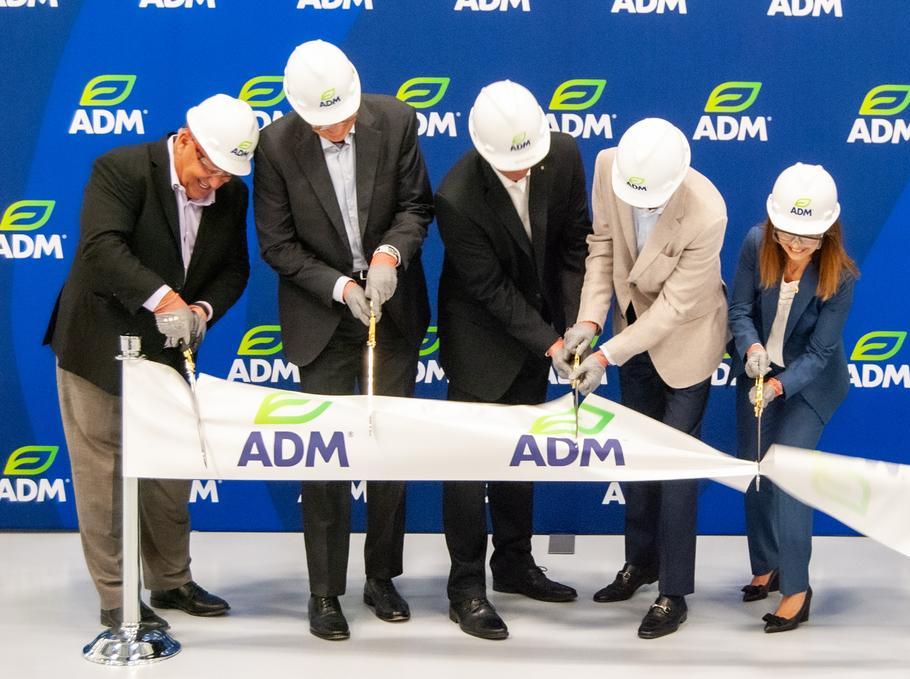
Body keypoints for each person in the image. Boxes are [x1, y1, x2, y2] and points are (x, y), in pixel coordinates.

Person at [44, 93, 258, 630]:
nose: (212, 186)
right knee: (104, 473)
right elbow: (101, 249)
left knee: (170, 472)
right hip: (96, 344)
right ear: (185, 139)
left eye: (226, 178)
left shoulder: (232, 197)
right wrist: (165, 299)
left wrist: (202, 310)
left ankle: (170, 580)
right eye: (206, 171)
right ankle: (116, 597)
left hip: (168, 352)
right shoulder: (120, 169)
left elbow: (234, 271)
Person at [253, 40, 433, 641]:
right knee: (323, 459)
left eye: (346, 117)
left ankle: (382, 577)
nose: (339, 129)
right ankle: (324, 590)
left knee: (390, 450)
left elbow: (415, 207)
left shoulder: (397, 120)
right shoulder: (276, 146)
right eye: (326, 122)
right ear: (301, 114)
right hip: (321, 319)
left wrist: (388, 256)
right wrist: (336, 286)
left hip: (394, 311)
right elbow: (277, 245)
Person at [558, 118, 728, 639]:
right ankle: (640, 563)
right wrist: (589, 323)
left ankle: (672, 591)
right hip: (627, 334)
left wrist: (605, 356)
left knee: (675, 469)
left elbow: (674, 309)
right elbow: (603, 250)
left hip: (687, 342)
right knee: (636, 460)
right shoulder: (611, 168)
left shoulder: (707, 211)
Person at [433, 80, 590, 641]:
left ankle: (515, 565)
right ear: (483, 151)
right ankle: (465, 587)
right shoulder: (456, 196)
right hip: (481, 333)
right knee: (469, 466)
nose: (523, 172)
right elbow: (490, 289)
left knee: (520, 456)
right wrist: (551, 344)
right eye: (510, 167)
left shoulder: (564, 153)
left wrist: (574, 328)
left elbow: (575, 245)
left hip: (545, 322)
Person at [728, 163, 858, 633]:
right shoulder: (753, 243)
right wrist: (753, 348)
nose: (797, 247)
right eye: (787, 236)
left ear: (828, 231)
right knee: (755, 470)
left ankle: (797, 590)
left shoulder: (840, 275)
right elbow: (739, 310)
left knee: (789, 476)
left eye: (809, 239)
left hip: (809, 385)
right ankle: (767, 564)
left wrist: (781, 384)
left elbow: (822, 352)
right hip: (758, 373)